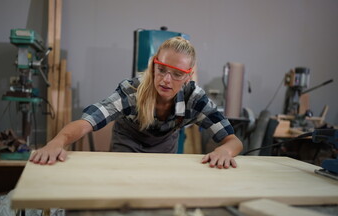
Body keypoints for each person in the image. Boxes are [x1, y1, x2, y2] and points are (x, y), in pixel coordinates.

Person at [29, 37, 243, 168]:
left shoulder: (194, 99)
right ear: (153, 66)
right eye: (162, 70)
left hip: (164, 150)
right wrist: (56, 143)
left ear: (188, 76)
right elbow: (88, 121)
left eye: (177, 74)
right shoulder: (133, 91)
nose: (167, 80)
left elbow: (234, 141)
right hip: (128, 144)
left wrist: (224, 151)